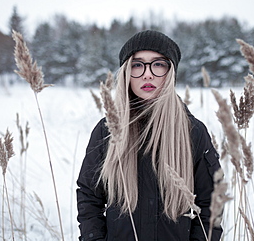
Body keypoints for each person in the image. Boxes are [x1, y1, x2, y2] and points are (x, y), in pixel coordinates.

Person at [76, 30, 223, 241]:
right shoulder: (107, 130)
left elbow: (211, 204)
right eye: (137, 65)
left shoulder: (193, 132)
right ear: (126, 72)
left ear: (170, 72)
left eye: (158, 64)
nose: (147, 74)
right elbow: (89, 195)